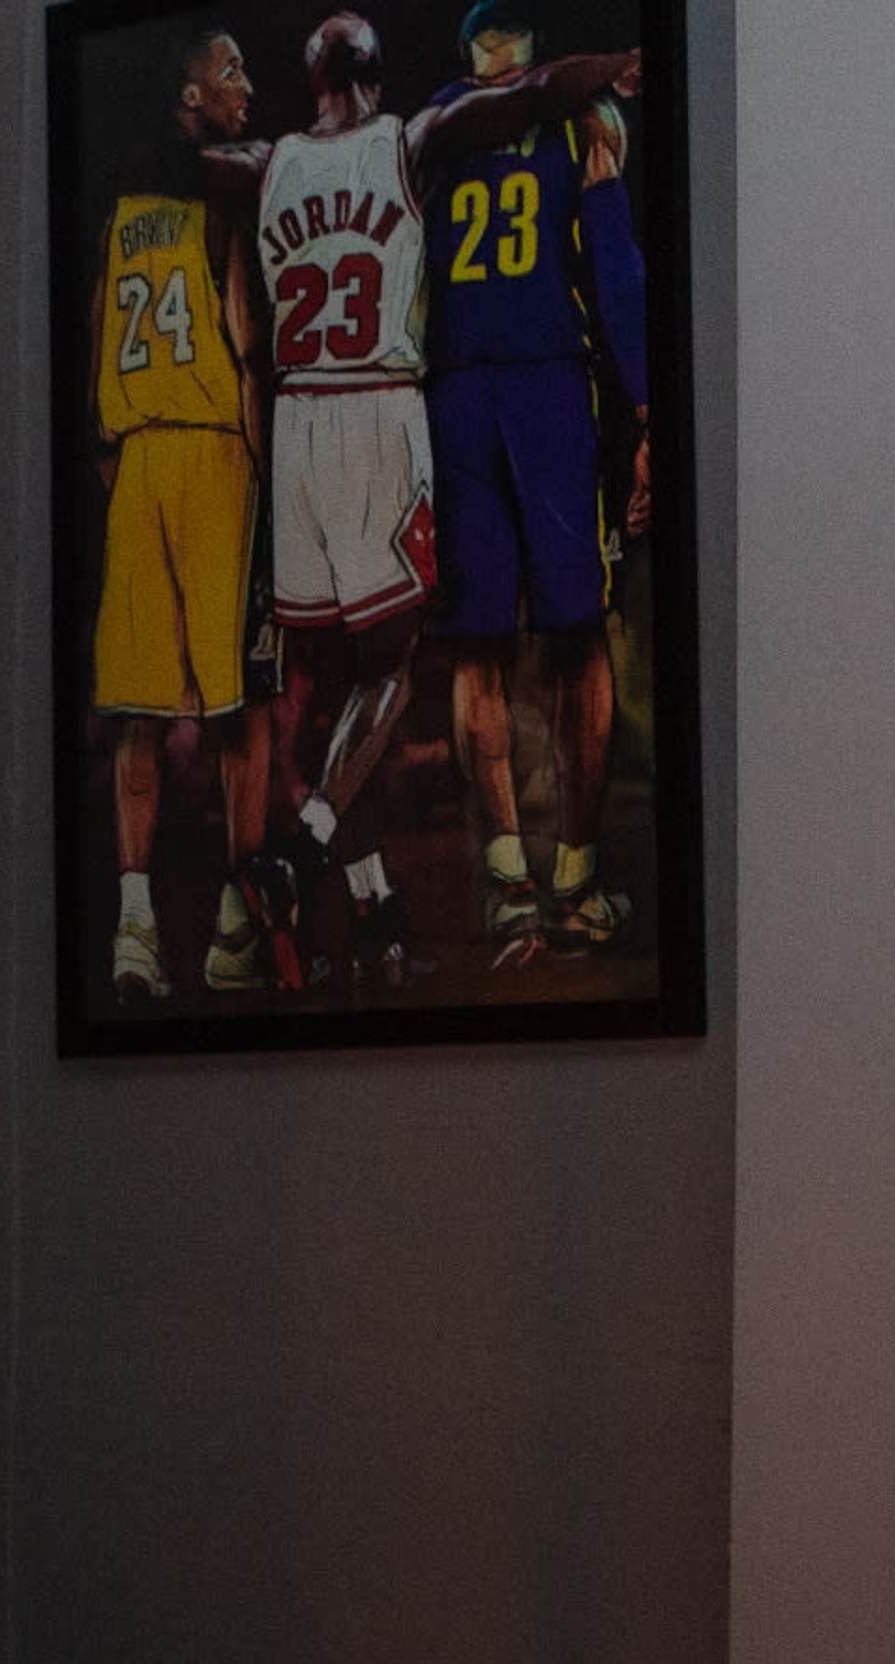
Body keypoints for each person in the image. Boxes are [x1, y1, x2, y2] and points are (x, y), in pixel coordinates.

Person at [199, 13, 641, 989]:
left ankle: (426, 891)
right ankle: (532, 875)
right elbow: (552, 142)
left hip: (333, 414)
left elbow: (237, 305)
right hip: (418, 402)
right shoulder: (424, 136)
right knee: (442, 659)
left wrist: (191, 125)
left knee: (337, 680)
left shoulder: (275, 161)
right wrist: (609, 69)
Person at [421, 3, 653, 962]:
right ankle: (570, 880)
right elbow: (616, 263)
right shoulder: (576, 114)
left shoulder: (434, 122)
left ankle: (515, 880)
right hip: (547, 388)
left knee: (484, 645)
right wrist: (643, 413)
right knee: (575, 637)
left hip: (460, 392)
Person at [91, 31, 284, 999]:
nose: (247, 87)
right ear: (190, 92)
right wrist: (262, 470)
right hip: (212, 455)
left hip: (133, 457)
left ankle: (133, 928)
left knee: (136, 712)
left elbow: (96, 337)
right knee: (238, 711)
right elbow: (247, 346)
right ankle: (233, 925)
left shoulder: (119, 212)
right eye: (232, 71)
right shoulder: (219, 208)